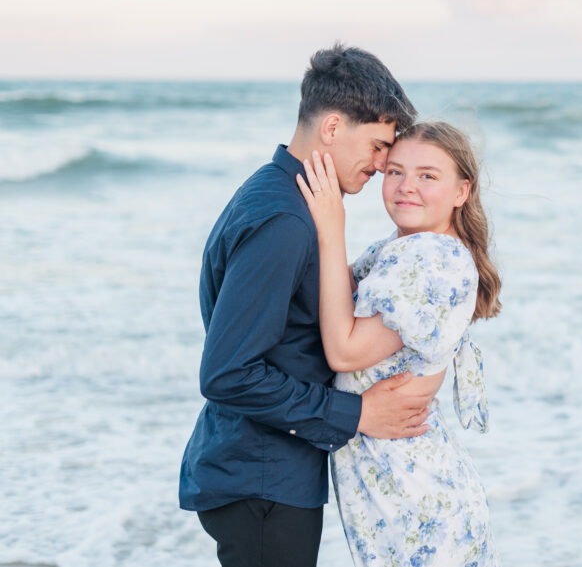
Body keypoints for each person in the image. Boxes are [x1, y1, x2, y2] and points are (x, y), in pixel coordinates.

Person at [179, 44, 436, 567]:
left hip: (267, 473)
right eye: (379, 144)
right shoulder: (285, 220)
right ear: (334, 127)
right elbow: (228, 372)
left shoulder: (284, 198)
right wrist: (357, 413)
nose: (384, 164)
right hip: (263, 482)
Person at [297, 121, 502, 566]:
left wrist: (331, 228)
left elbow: (345, 350)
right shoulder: (401, 248)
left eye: (428, 175)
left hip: (419, 501)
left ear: (460, 191)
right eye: (394, 172)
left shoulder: (435, 261)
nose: (406, 186)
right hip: (398, 489)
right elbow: (332, 296)